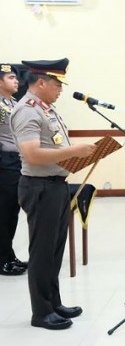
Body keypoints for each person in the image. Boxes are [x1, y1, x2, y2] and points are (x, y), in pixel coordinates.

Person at [10, 59, 96, 330]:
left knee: (55, 250)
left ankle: (53, 302)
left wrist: (78, 157)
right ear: (41, 82)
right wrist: (73, 152)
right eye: (58, 84)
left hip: (55, 185)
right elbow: (32, 154)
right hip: (39, 187)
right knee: (42, 252)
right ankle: (41, 312)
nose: (60, 89)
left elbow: (54, 147)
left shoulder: (47, 109)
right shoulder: (27, 111)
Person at [0, 63, 27, 276]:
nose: (16, 81)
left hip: (15, 161)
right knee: (3, 212)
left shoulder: (13, 102)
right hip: (3, 161)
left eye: (16, 77)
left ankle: (9, 255)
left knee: (12, 212)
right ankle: (2, 259)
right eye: (10, 77)